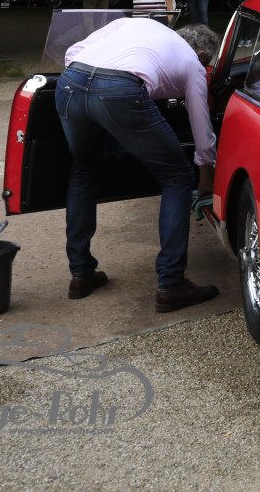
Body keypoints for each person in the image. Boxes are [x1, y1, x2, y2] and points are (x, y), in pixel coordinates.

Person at [56, 18, 222, 312]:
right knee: (177, 177)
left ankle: (81, 274)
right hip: (120, 91)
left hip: (70, 83)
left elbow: (72, 52)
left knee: (83, 171)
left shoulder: (136, 25)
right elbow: (201, 124)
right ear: (201, 54)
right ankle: (171, 283)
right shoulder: (192, 62)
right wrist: (205, 173)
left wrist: (91, 91)